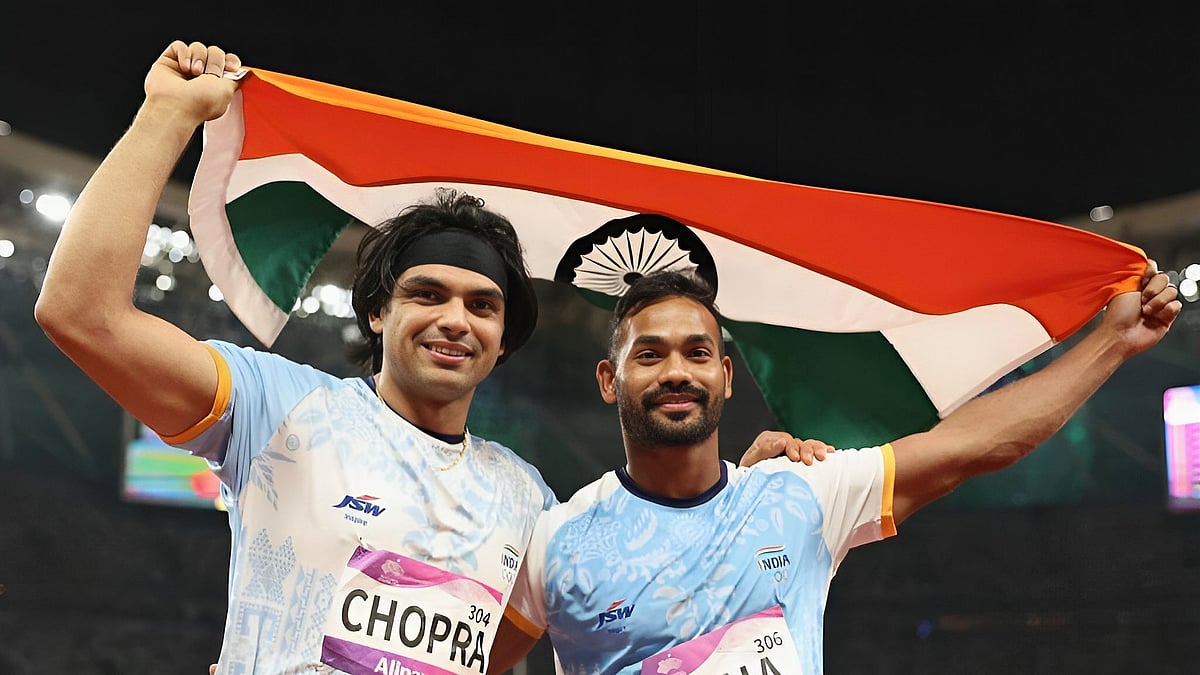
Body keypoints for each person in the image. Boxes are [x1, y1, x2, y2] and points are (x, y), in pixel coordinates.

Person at [35, 41, 822, 675]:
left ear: (503, 337)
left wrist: (736, 494)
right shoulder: (282, 408)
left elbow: (640, 574)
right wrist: (165, 117)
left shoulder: (528, 499)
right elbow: (81, 313)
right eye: (427, 294)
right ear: (378, 309)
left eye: (483, 305)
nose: (455, 319)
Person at [492, 267, 1180, 674]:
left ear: (725, 375)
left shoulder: (799, 493)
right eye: (651, 355)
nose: (677, 371)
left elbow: (974, 443)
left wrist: (1113, 340)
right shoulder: (558, 537)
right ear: (610, 379)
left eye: (697, 352)